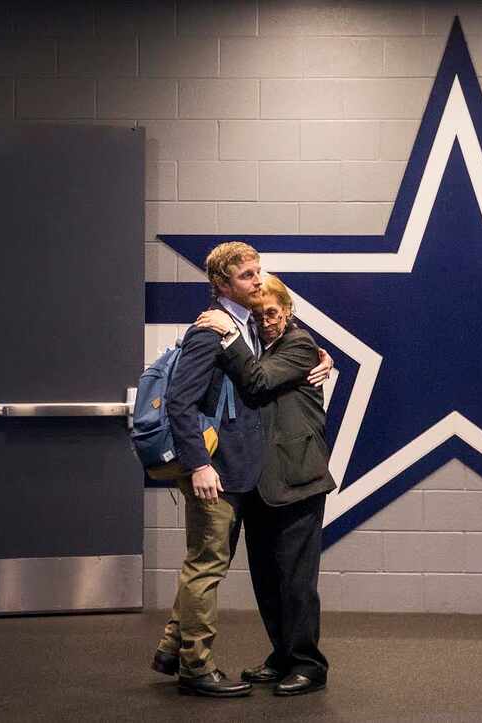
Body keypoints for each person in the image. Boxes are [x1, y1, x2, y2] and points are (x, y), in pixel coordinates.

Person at [150, 242, 332, 698]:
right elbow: (180, 402)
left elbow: (262, 373)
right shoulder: (213, 330)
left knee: (249, 573)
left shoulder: (248, 329)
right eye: (247, 275)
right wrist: (198, 465)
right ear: (221, 283)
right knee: (214, 567)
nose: (256, 283)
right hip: (225, 475)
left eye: (258, 273)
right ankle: (191, 661)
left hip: (272, 479)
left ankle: (298, 662)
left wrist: (325, 358)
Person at [195, 274, 335, 697]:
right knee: (267, 580)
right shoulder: (255, 346)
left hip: (297, 481)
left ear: (287, 310)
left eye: (272, 312)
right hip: (258, 484)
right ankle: (283, 655)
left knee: (296, 581)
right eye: (256, 315)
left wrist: (226, 335)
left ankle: (309, 665)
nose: (265, 321)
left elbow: (256, 380)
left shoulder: (299, 345)